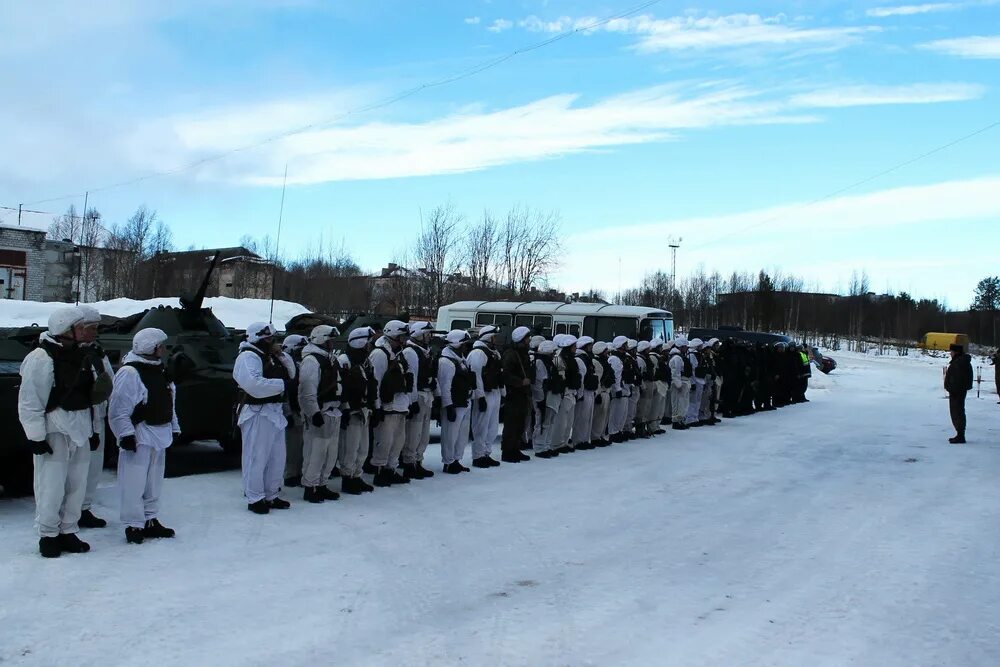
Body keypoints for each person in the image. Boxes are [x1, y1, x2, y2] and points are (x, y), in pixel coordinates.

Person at [19, 306, 108, 557]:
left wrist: (93, 430)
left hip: (79, 427)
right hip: (54, 429)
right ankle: (48, 534)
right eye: (79, 327)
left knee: (76, 485)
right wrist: (36, 437)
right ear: (63, 329)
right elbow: (30, 401)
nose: (84, 331)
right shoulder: (41, 358)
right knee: (51, 485)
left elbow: (91, 397)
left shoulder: (84, 355)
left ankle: (68, 530)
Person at [108, 328, 180, 544]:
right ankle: (133, 524)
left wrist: (174, 426)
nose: (164, 350)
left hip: (159, 431)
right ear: (151, 347)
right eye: (161, 346)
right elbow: (118, 408)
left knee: (154, 480)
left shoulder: (160, 370)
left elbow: (170, 399)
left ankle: (150, 519)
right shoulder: (130, 372)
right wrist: (126, 434)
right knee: (134, 481)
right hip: (140, 433)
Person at [234, 322, 292, 515]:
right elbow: (255, 385)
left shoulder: (270, 356)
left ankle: (271, 494)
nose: (272, 341)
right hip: (257, 411)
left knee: (277, 457)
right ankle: (255, 497)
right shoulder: (248, 357)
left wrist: (281, 354)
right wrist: (282, 385)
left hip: (274, 411)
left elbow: (292, 373)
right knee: (256, 457)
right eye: (268, 338)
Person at [77, 305, 114, 530]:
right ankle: (69, 509)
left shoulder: (96, 352)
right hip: (80, 417)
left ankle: (84, 508)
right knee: (76, 467)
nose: (95, 332)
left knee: (93, 466)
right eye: (92, 327)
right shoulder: (72, 353)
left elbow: (108, 379)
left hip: (97, 416)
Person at [297, 325, 342, 503]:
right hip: (320, 412)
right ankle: (310, 486)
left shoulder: (329, 359)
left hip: (334, 411)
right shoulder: (312, 361)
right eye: (330, 340)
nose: (332, 343)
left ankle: (322, 483)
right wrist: (313, 412)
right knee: (315, 452)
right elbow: (307, 390)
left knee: (330, 453)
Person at [368, 320, 411, 487]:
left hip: (400, 404)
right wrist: (377, 407)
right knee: (384, 441)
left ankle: (390, 469)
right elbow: (376, 382)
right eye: (401, 336)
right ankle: (380, 471)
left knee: (398, 441)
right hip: (387, 406)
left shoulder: (397, 354)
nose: (404, 340)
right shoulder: (380, 354)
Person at [338, 327, 376, 494]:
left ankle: (357, 475)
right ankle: (348, 477)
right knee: (350, 447)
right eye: (368, 343)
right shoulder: (345, 360)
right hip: (352, 410)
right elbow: (341, 387)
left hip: (364, 410)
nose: (370, 346)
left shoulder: (365, 362)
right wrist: (344, 408)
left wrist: (374, 405)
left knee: (363, 447)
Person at [401, 322, 437, 479]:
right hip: (419, 395)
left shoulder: (426, 351)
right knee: (413, 432)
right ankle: (409, 462)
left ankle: (418, 460)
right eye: (426, 333)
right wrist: (413, 400)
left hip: (427, 394)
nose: (429, 337)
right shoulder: (411, 352)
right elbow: (412, 378)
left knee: (423, 434)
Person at [438, 330, 474, 473]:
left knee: (462, 435)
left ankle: (457, 459)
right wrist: (448, 405)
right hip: (455, 402)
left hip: (464, 400)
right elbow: (445, 386)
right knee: (450, 434)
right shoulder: (446, 361)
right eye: (464, 344)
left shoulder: (461, 359)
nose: (466, 347)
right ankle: (448, 461)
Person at [468, 325, 503, 468]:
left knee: (492, 426)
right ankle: (478, 455)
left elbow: (500, 374)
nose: (496, 339)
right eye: (494, 336)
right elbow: (476, 376)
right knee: (481, 426)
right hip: (485, 393)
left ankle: (486, 453)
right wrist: (480, 396)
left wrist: (503, 391)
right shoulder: (478, 353)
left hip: (494, 392)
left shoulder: (494, 353)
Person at [500, 326, 533, 463]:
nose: (529, 340)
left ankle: (515, 448)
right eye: (527, 337)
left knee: (520, 423)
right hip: (513, 393)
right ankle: (508, 451)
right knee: (511, 424)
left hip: (522, 393)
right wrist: (520, 382)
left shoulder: (522, 353)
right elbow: (506, 374)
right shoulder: (511, 354)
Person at [280, 334, 308, 487]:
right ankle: (291, 474)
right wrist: (288, 412)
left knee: (301, 444)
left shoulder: (300, 364)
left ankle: (299, 472)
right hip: (291, 409)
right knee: (292, 445)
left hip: (301, 408)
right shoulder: (286, 365)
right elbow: (285, 391)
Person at [532, 340, 562, 458]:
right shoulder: (540, 362)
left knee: (550, 422)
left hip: (551, 396)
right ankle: (539, 447)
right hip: (544, 396)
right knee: (542, 422)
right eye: (553, 351)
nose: (554, 354)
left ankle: (547, 445)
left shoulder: (548, 362)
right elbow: (539, 382)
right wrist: (540, 399)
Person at [551, 334, 580, 454]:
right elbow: (561, 376)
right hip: (565, 391)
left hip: (572, 391)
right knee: (561, 421)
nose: (575, 348)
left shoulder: (571, 358)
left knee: (568, 421)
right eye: (574, 346)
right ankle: (557, 443)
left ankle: (564, 441)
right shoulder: (559, 358)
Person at [944, 343, 973, 444]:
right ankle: (960, 434)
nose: (950, 354)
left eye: (951, 352)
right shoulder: (960, 362)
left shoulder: (959, 363)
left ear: (956, 352)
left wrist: (952, 388)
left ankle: (960, 435)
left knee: (957, 412)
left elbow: (957, 379)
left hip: (957, 392)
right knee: (957, 411)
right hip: (957, 391)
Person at [590, 341, 614, 447]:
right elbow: (597, 379)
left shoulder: (604, 361)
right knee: (598, 417)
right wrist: (598, 393)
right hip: (601, 392)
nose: (607, 353)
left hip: (607, 391)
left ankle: (600, 435)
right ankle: (595, 437)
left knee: (604, 417)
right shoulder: (596, 362)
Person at [607, 336, 629, 442]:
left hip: (624, 388)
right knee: (615, 412)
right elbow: (616, 375)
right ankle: (613, 432)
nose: (627, 347)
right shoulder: (614, 359)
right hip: (618, 389)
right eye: (625, 344)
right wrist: (617, 388)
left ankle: (619, 430)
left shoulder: (622, 357)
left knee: (622, 412)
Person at [669, 337, 691, 430]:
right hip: (680, 382)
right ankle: (676, 421)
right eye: (685, 346)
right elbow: (676, 371)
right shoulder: (677, 357)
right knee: (678, 403)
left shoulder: (679, 356)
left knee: (683, 403)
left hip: (683, 381)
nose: (687, 348)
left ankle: (680, 420)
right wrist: (678, 384)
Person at [686, 338, 706, 427]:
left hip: (699, 380)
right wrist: (692, 382)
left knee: (697, 400)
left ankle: (695, 417)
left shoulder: (698, 354)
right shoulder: (691, 355)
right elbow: (692, 369)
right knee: (693, 400)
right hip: (695, 380)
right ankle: (690, 418)